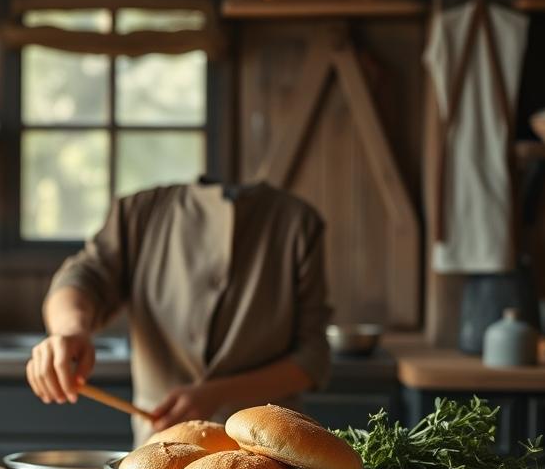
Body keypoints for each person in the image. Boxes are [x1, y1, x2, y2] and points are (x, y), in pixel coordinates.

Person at [26, 180, 332, 443]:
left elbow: (312, 356)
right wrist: (69, 330)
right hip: (159, 450)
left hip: (270, 450)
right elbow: (82, 277)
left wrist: (217, 393)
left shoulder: (298, 223)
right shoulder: (139, 213)